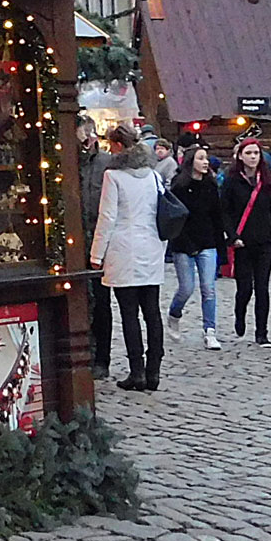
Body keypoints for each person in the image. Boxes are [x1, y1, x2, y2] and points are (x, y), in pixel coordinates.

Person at [89, 132, 166, 391]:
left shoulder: (114, 176)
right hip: (151, 247)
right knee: (152, 312)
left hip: (123, 249)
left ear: (119, 146)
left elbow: (107, 218)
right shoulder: (154, 176)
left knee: (129, 313)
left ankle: (137, 371)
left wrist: (96, 255)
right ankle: (154, 369)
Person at [221, 137, 271, 346]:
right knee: (245, 288)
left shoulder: (266, 180)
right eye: (248, 153)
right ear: (240, 156)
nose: (252, 157)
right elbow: (225, 212)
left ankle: (262, 333)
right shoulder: (232, 180)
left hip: (264, 240)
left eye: (256, 153)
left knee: (263, 288)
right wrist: (232, 236)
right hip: (242, 242)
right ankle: (239, 314)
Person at [167, 144, 224, 350]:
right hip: (184, 244)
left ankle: (210, 331)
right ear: (191, 162)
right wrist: (185, 244)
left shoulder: (210, 185)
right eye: (201, 158)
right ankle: (174, 313)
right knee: (187, 288)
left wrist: (222, 247)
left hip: (207, 242)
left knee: (208, 288)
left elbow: (217, 217)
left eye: (206, 158)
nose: (205, 162)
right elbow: (176, 218)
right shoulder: (180, 186)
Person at [79, 126, 122, 380]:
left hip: (100, 239)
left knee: (101, 302)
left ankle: (101, 358)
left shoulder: (108, 163)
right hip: (73, 240)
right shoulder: (68, 161)